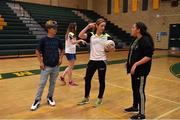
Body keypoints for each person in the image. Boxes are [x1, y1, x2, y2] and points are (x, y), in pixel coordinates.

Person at [77, 18, 115, 107]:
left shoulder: (107, 36)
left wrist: (110, 49)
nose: (103, 27)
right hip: (92, 61)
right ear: (96, 26)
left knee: (101, 81)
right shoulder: (91, 35)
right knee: (87, 79)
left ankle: (100, 98)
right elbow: (80, 35)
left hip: (102, 61)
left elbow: (113, 49)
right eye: (101, 26)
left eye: (104, 26)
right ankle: (86, 97)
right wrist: (88, 26)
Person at [30, 20, 64, 111]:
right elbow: (37, 51)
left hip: (55, 66)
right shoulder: (43, 40)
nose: (56, 30)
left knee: (52, 83)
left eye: (56, 28)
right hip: (46, 67)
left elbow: (62, 49)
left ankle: (50, 97)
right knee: (42, 84)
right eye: (54, 28)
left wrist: (60, 58)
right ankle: (37, 100)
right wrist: (41, 62)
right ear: (49, 29)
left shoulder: (58, 40)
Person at [125, 22, 154, 119]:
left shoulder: (145, 40)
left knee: (140, 90)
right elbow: (134, 53)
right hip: (135, 71)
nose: (131, 29)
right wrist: (128, 62)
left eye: (133, 27)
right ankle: (135, 106)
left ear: (138, 30)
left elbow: (148, 57)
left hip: (141, 71)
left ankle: (142, 114)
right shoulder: (136, 40)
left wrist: (136, 64)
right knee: (135, 89)